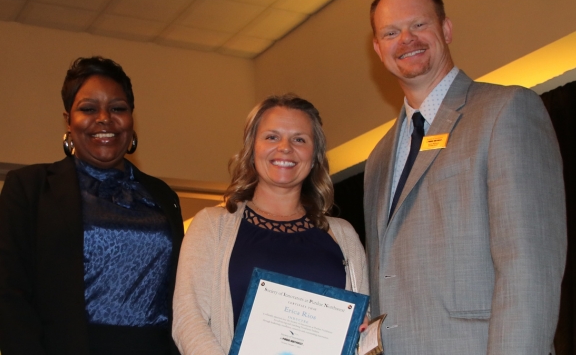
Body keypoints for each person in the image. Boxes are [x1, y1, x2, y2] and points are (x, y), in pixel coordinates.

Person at [364, 0, 566, 354]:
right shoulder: (378, 158)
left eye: (419, 25)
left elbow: (529, 270)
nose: (406, 39)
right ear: (378, 49)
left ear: (446, 29)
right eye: (391, 32)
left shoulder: (505, 111)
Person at [0, 56, 184, 355]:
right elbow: (9, 293)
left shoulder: (163, 195)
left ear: (131, 118)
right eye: (88, 109)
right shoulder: (29, 187)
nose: (104, 118)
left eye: (117, 108)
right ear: (68, 120)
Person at [172, 94, 368, 354]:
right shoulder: (212, 226)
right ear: (252, 149)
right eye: (271, 137)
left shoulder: (343, 235)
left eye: (299, 139)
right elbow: (189, 319)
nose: (285, 147)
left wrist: (361, 330)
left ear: (315, 156)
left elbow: (364, 322)